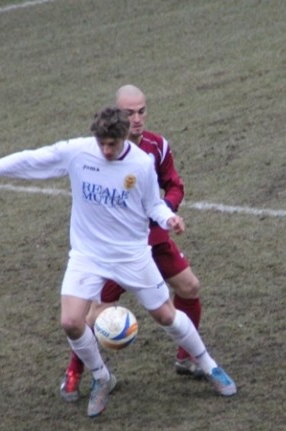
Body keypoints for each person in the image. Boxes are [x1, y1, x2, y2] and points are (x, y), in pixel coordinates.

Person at [0, 106, 236, 418]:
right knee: (71, 322)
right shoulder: (78, 152)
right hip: (87, 256)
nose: (106, 150)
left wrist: (169, 217)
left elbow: (152, 205)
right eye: (101, 143)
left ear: (123, 139)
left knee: (165, 316)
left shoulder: (141, 163)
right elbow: (31, 158)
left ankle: (209, 365)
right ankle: (102, 378)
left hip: (132, 254)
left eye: (112, 144)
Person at [60, 85, 204, 402]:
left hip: (154, 240)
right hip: (117, 248)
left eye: (142, 111)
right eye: (129, 113)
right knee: (91, 315)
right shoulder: (101, 152)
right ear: (117, 115)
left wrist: (165, 213)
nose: (137, 119)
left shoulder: (158, 147)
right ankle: (75, 372)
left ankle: (186, 357)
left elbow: (174, 186)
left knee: (189, 287)